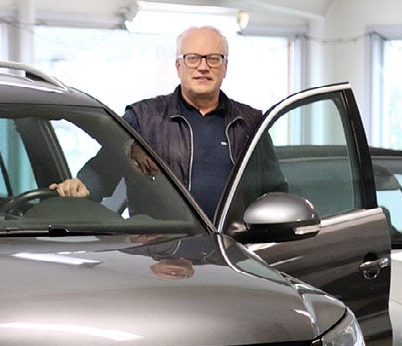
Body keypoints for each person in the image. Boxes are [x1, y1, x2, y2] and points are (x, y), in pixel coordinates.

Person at [51, 25, 282, 220]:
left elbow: (274, 193)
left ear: (225, 67)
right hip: (161, 256)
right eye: (192, 58)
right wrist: (83, 185)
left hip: (231, 255)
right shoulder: (142, 118)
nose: (203, 67)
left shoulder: (251, 123)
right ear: (178, 66)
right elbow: (106, 167)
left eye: (213, 58)